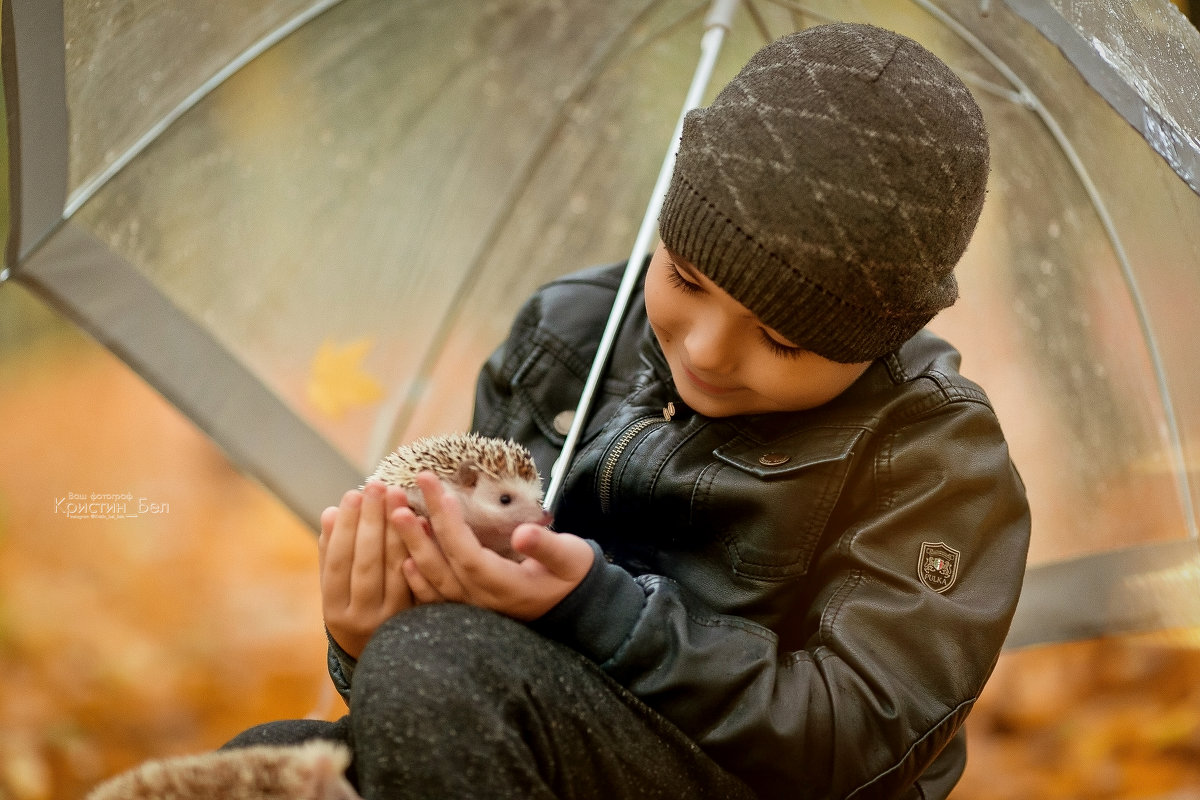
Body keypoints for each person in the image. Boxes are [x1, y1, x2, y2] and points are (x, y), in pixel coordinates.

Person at [227, 21, 1031, 800]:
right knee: (259, 769)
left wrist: (602, 613)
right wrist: (373, 639)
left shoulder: (929, 452)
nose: (708, 351)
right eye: (685, 280)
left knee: (436, 664)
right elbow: (467, 678)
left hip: (738, 775)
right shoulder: (568, 333)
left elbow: (852, 739)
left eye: (781, 339)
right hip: (513, 715)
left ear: (877, 337)